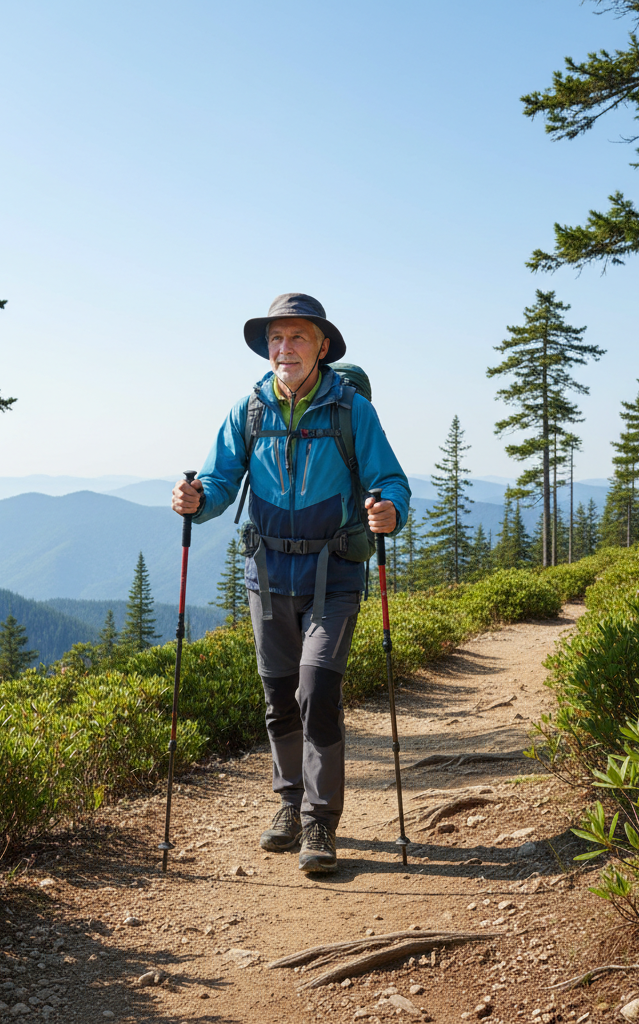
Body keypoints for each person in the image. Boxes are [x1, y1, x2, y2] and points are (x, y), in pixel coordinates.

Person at [171, 293, 410, 873]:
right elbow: (221, 480)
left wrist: (390, 513)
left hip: (335, 575)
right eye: (276, 339)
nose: (285, 349)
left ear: (322, 346)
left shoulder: (353, 412)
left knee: (317, 691)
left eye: (298, 337)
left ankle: (319, 822)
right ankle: (288, 802)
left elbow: (391, 481)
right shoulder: (248, 411)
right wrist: (196, 500)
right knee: (280, 699)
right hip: (269, 574)